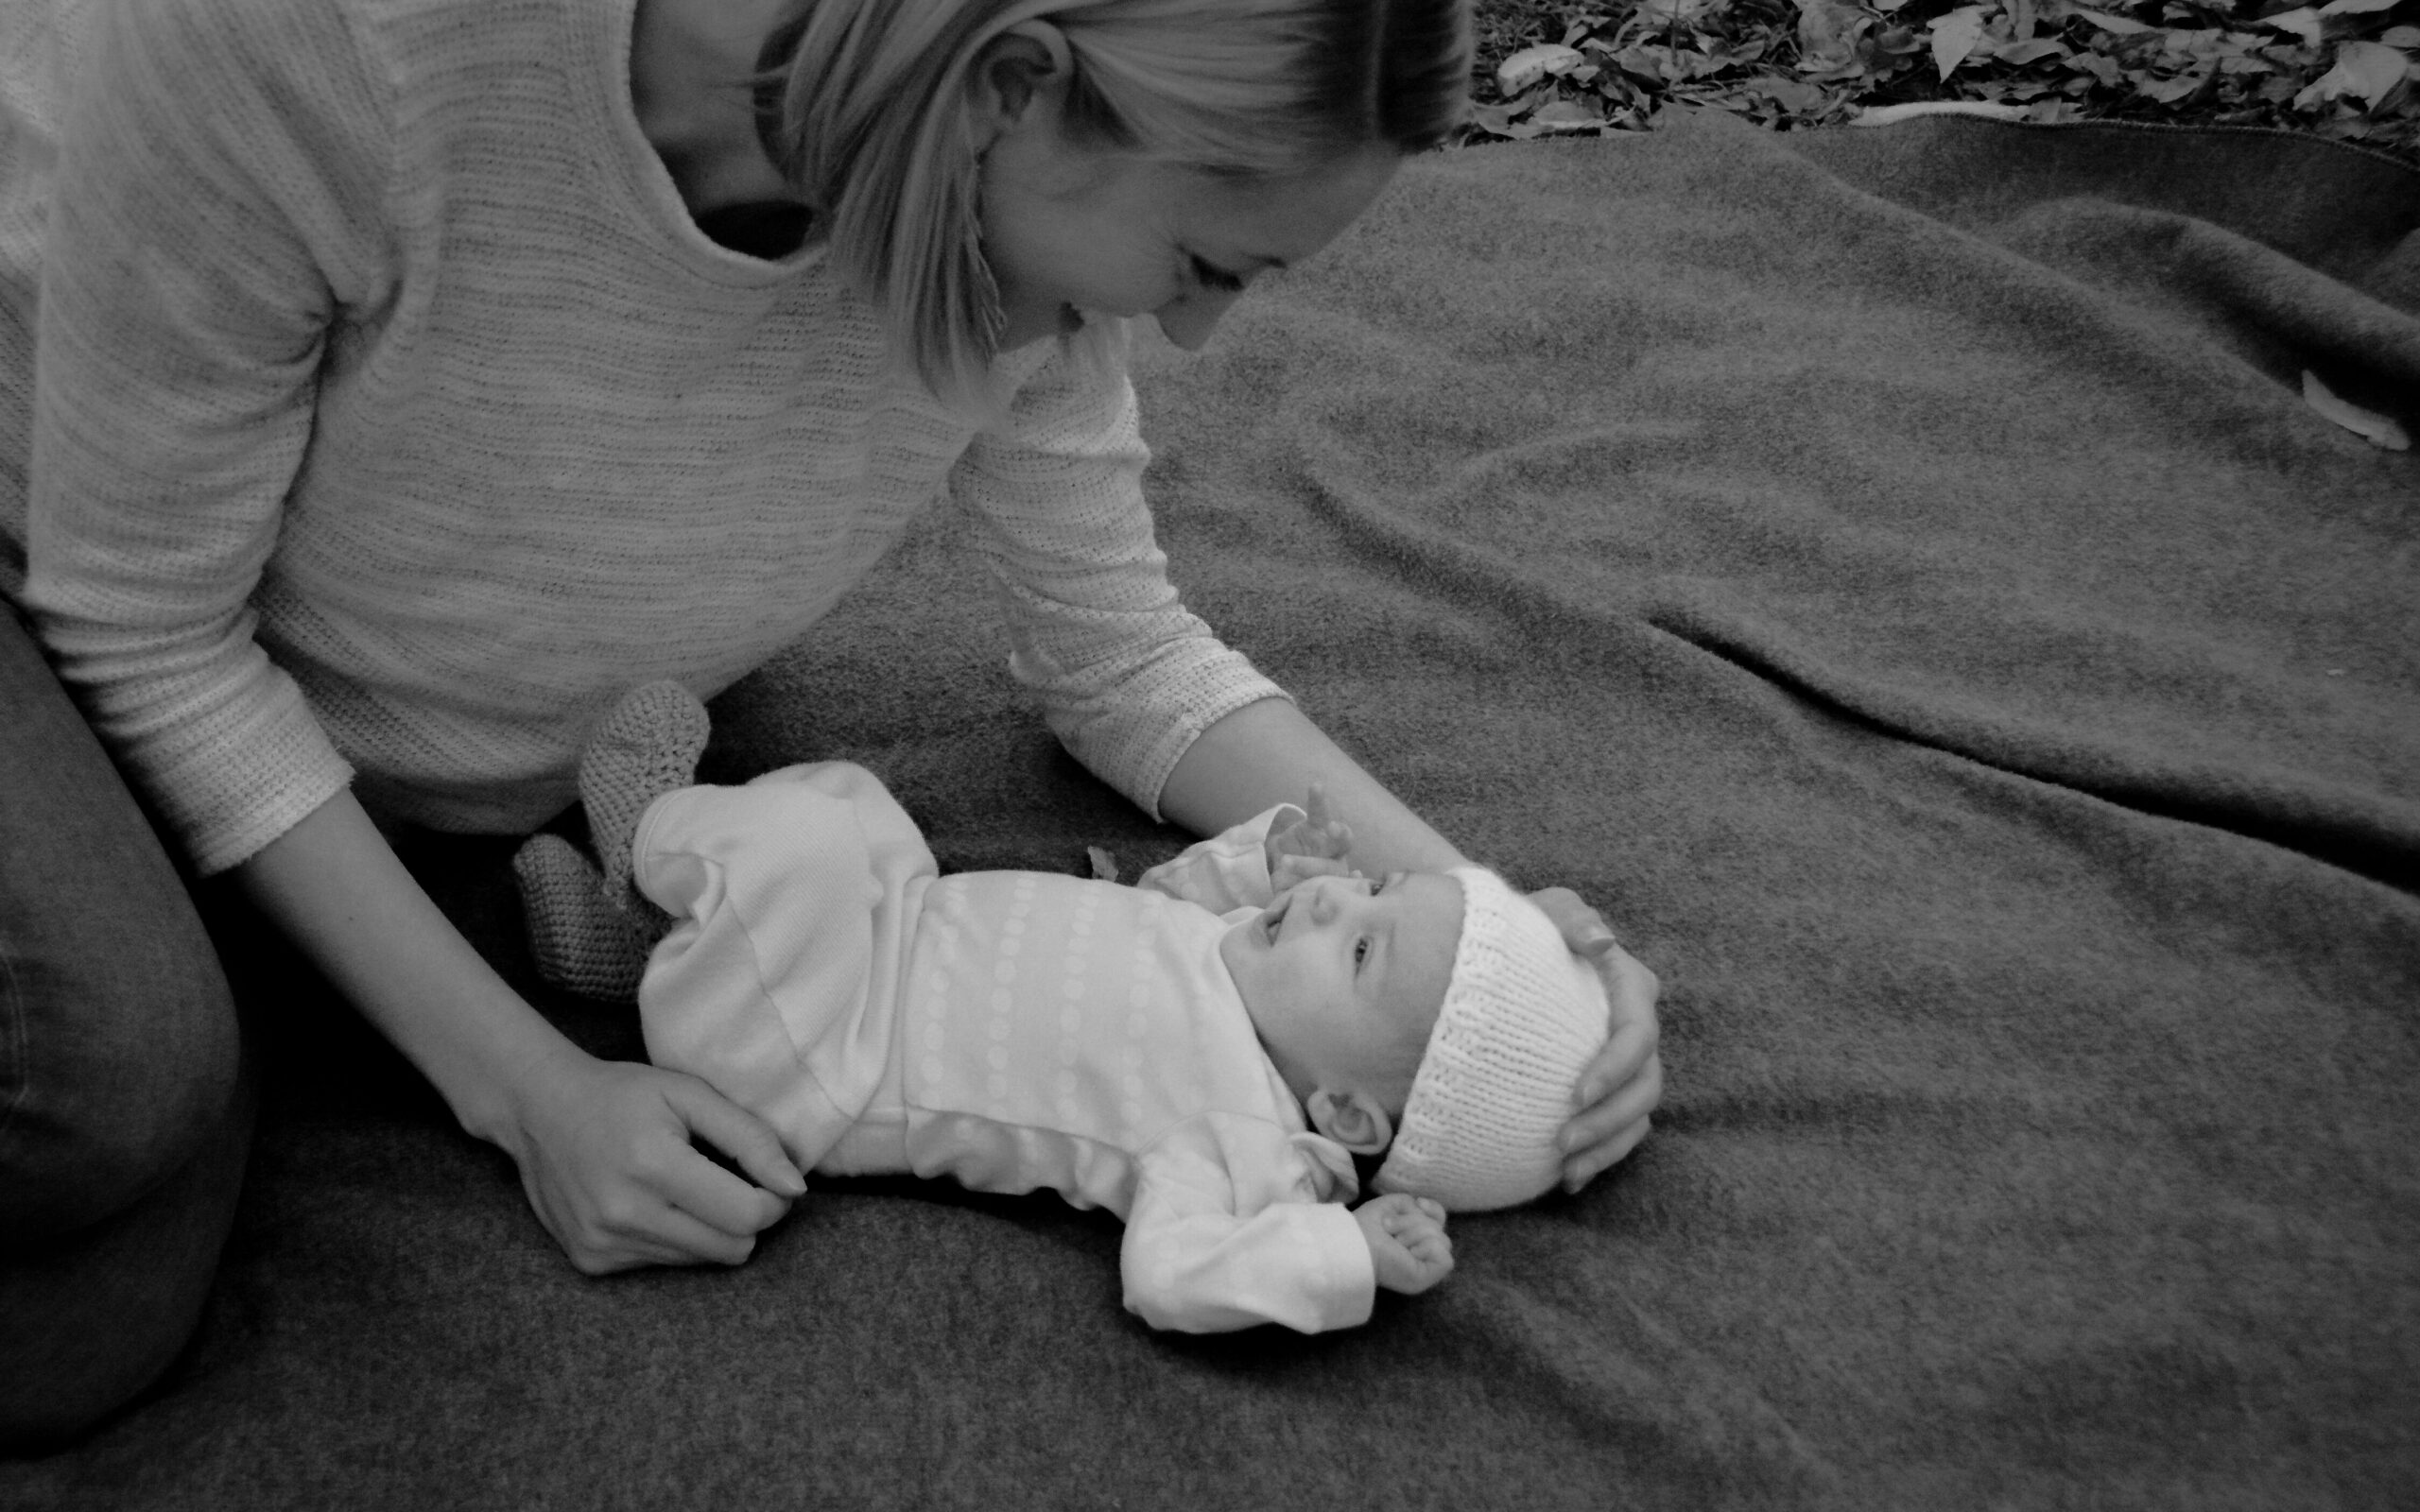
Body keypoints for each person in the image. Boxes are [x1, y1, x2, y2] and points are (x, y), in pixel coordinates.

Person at [0, 0, 1660, 1443]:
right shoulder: (316, 46)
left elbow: (1124, 654)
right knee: (117, 1094)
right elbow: (148, 625)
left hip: (448, 750)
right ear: (1011, 87)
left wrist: (1504, 950)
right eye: (1208, 261)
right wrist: (531, 1095)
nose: (1198, 331)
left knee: (101, 1334)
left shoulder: (1000, 218)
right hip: (75, 589)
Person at [518, 681, 1613, 1332]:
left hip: (814, 1064)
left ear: (1347, 1115)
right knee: (850, 802)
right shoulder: (1236, 962)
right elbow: (1158, 909)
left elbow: (1171, 1275)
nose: (1332, 896)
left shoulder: (1240, 1140)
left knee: (791, 848)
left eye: (1360, 944)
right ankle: (647, 953)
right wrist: (1258, 863)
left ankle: (644, 832)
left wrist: (1346, 1257)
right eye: (1369, 887)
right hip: (892, 926)